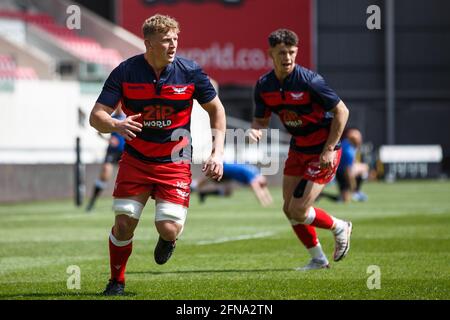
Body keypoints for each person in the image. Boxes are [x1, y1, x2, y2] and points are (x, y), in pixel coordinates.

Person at [89, 14, 226, 295]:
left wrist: (217, 152)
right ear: (148, 43)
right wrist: (116, 124)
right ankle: (117, 281)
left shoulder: (190, 72)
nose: (173, 45)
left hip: (175, 162)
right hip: (136, 160)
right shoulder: (126, 72)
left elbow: (216, 110)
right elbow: (96, 117)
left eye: (176, 39)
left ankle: (169, 239)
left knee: (169, 228)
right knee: (124, 223)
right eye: (166, 40)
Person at [249, 29, 352, 271]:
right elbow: (260, 121)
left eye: (292, 52)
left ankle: (340, 227)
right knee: (288, 209)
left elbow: (342, 112)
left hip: (322, 149)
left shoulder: (309, 81)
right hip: (298, 148)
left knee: (298, 209)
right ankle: (318, 259)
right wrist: (255, 130)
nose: (287, 57)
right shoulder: (264, 85)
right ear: (270, 54)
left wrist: (328, 150)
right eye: (281, 52)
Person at [86, 106, 126, 212]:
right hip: (112, 151)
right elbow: (99, 131)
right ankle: (92, 202)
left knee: (125, 177)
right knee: (105, 174)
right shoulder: (111, 117)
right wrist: (108, 140)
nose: (118, 107)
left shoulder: (128, 116)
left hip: (125, 151)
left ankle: (123, 203)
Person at [321, 128, 369, 203]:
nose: (360, 140)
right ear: (352, 139)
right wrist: (353, 187)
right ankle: (356, 191)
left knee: (345, 199)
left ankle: (323, 194)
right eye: (358, 138)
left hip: (339, 172)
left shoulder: (347, 144)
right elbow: (348, 172)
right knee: (364, 167)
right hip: (341, 174)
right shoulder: (348, 151)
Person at [194, 162, 273, 207]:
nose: (261, 186)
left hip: (227, 171)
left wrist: (270, 200)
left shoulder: (256, 173)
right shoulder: (252, 174)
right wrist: (265, 203)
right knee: (205, 179)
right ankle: (193, 186)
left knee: (227, 193)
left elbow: (262, 187)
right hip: (224, 168)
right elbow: (257, 190)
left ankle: (202, 193)